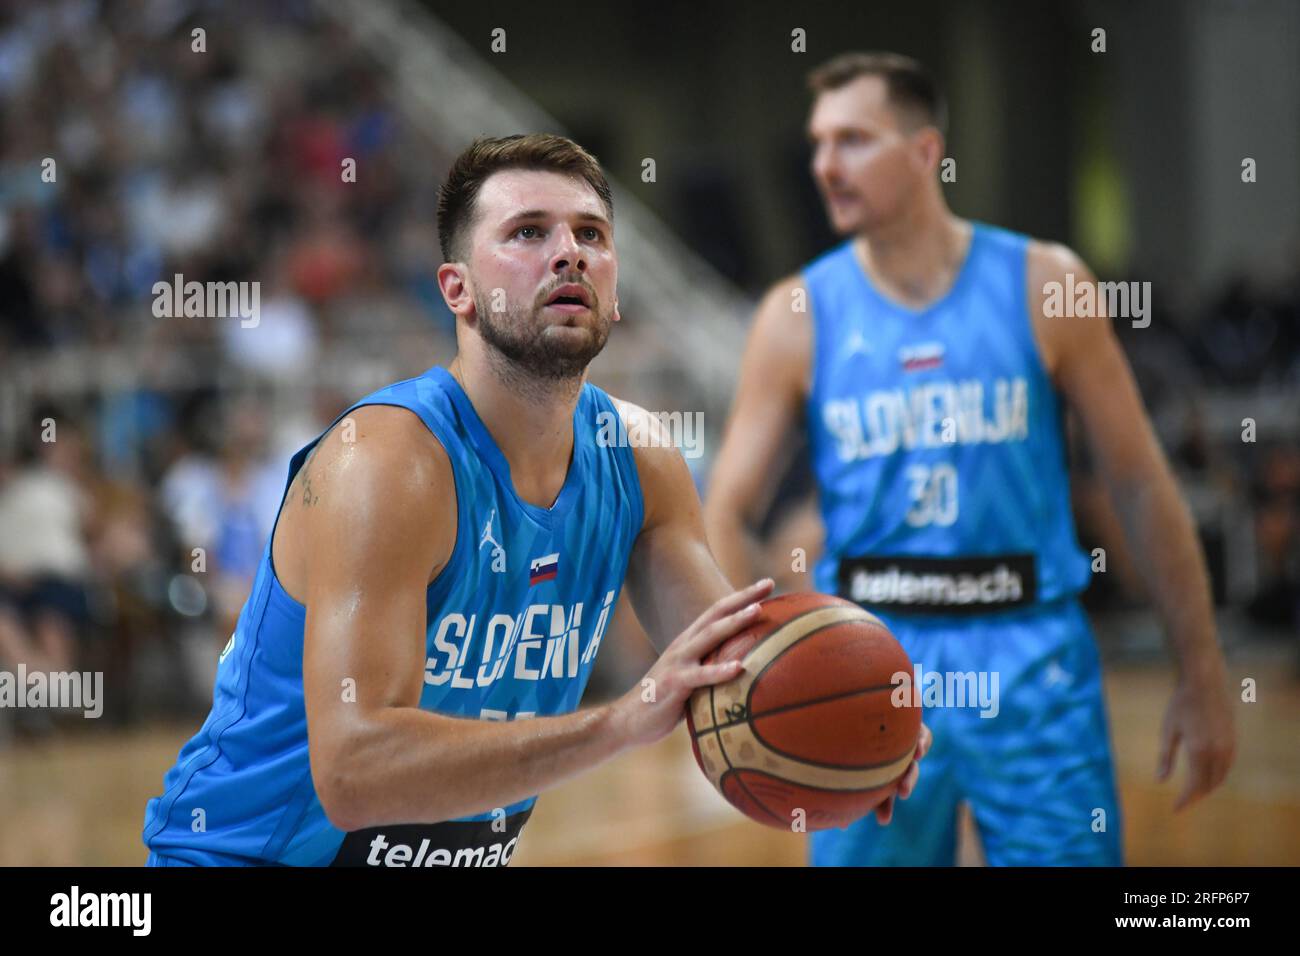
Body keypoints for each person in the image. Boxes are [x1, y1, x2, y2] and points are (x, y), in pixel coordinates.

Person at [142, 133, 931, 867]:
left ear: (616, 290)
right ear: (458, 289)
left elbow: (735, 671)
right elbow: (356, 772)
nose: (568, 254)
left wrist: (863, 728)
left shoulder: (639, 457)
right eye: (527, 233)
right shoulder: (387, 464)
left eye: (591, 235)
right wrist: (619, 723)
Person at [703, 53, 1234, 866]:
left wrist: (1200, 670)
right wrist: (752, 663)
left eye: (852, 140)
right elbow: (727, 509)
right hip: (866, 659)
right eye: (818, 143)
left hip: (1031, 655)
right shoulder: (797, 314)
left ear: (924, 152)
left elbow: (1137, 480)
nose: (824, 166)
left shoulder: (1046, 284)